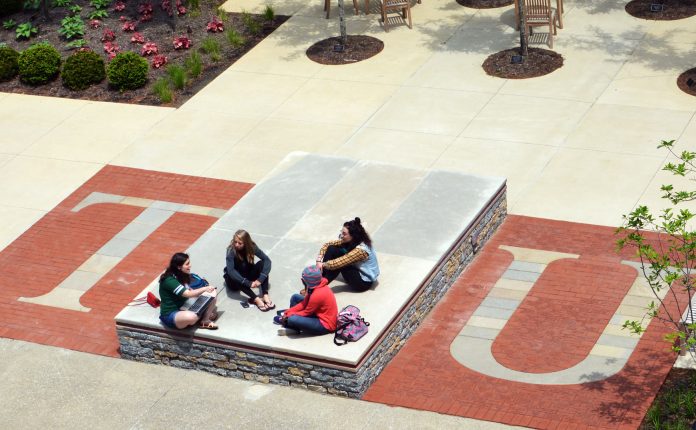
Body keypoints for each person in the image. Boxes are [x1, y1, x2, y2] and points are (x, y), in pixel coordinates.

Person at [315, 217, 380, 292]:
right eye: (341, 232)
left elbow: (337, 263)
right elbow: (328, 244)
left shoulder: (361, 250)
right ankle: (321, 277)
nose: (341, 236)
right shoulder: (354, 239)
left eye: (344, 234)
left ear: (353, 235)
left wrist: (322, 265)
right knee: (332, 248)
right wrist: (318, 260)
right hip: (356, 272)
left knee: (340, 264)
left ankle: (318, 287)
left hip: (362, 283)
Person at [159, 252, 218, 330]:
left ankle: (205, 320)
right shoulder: (169, 280)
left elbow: (191, 291)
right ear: (179, 267)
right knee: (191, 317)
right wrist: (204, 289)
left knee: (212, 294)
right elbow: (188, 294)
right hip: (171, 313)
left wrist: (207, 295)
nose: (190, 265)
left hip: (185, 306)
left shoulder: (183, 275)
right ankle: (202, 315)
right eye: (187, 264)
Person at [275, 265, 337, 335]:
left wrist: (290, 315)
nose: (301, 279)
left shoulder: (317, 294)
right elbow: (304, 303)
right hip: (317, 312)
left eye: (303, 278)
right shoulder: (316, 284)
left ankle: (290, 324)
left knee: (292, 319)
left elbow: (307, 312)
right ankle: (289, 320)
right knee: (295, 297)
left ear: (306, 281)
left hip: (325, 324)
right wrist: (288, 312)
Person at [224, 229, 274, 311]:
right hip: (234, 281)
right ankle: (256, 299)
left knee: (262, 264)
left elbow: (267, 260)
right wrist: (247, 283)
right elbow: (231, 271)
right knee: (233, 275)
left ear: (246, 243)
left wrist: (260, 279)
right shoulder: (231, 250)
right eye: (235, 242)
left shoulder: (252, 247)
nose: (236, 245)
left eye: (240, 243)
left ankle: (265, 295)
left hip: (247, 273)